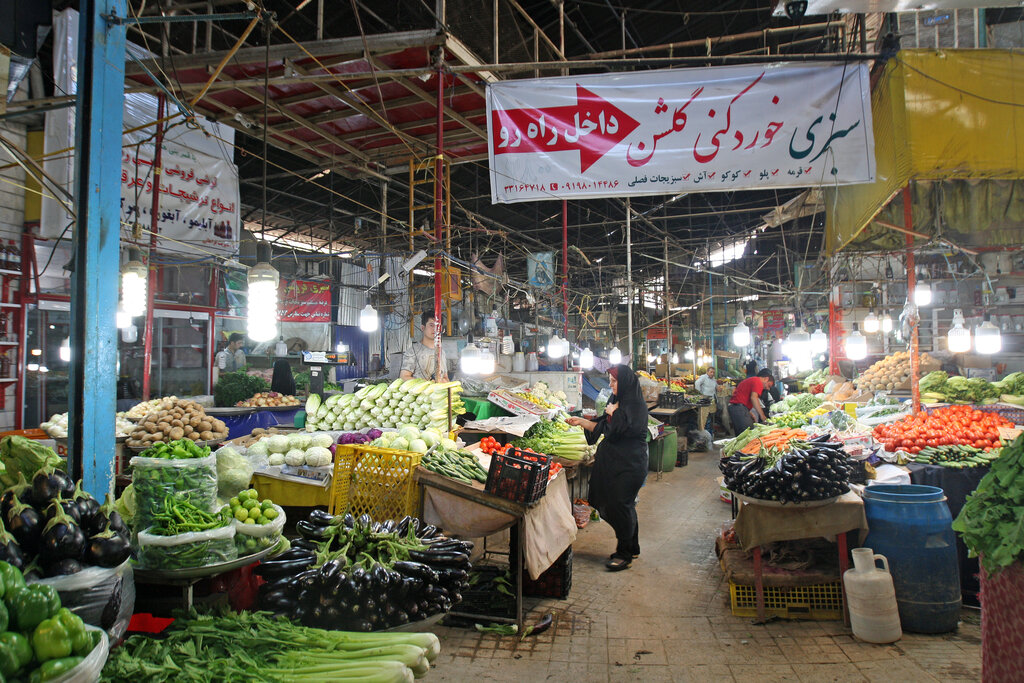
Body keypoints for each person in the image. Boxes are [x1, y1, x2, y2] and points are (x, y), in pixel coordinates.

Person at [566, 365, 648, 572]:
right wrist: (582, 422)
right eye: (610, 380)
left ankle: (624, 554)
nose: (610, 385)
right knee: (623, 505)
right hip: (614, 464)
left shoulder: (634, 407)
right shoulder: (616, 403)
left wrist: (615, 413)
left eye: (614, 381)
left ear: (626, 383)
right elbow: (605, 427)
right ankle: (632, 547)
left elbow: (620, 431)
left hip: (630, 465)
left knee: (620, 506)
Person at [400, 311, 449, 381]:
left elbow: (445, 377)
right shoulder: (413, 351)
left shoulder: (441, 352)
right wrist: (427, 385)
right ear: (423, 328)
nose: (435, 329)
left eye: (438, 326)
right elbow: (404, 377)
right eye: (431, 325)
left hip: (437, 391)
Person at [728, 369, 774, 435]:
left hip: (738, 408)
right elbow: (754, 398)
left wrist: (749, 413)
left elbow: (743, 398)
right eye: (768, 385)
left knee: (743, 433)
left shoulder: (753, 380)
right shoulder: (758, 381)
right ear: (766, 379)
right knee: (747, 433)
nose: (768, 388)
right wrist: (762, 416)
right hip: (738, 408)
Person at [694, 367, 718, 433]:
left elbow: (716, 387)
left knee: (710, 417)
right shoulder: (703, 377)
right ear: (707, 372)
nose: (712, 374)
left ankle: (709, 432)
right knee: (705, 418)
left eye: (713, 372)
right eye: (711, 372)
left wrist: (718, 388)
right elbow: (697, 383)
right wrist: (699, 394)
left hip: (711, 400)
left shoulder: (713, 380)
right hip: (704, 400)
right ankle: (705, 432)